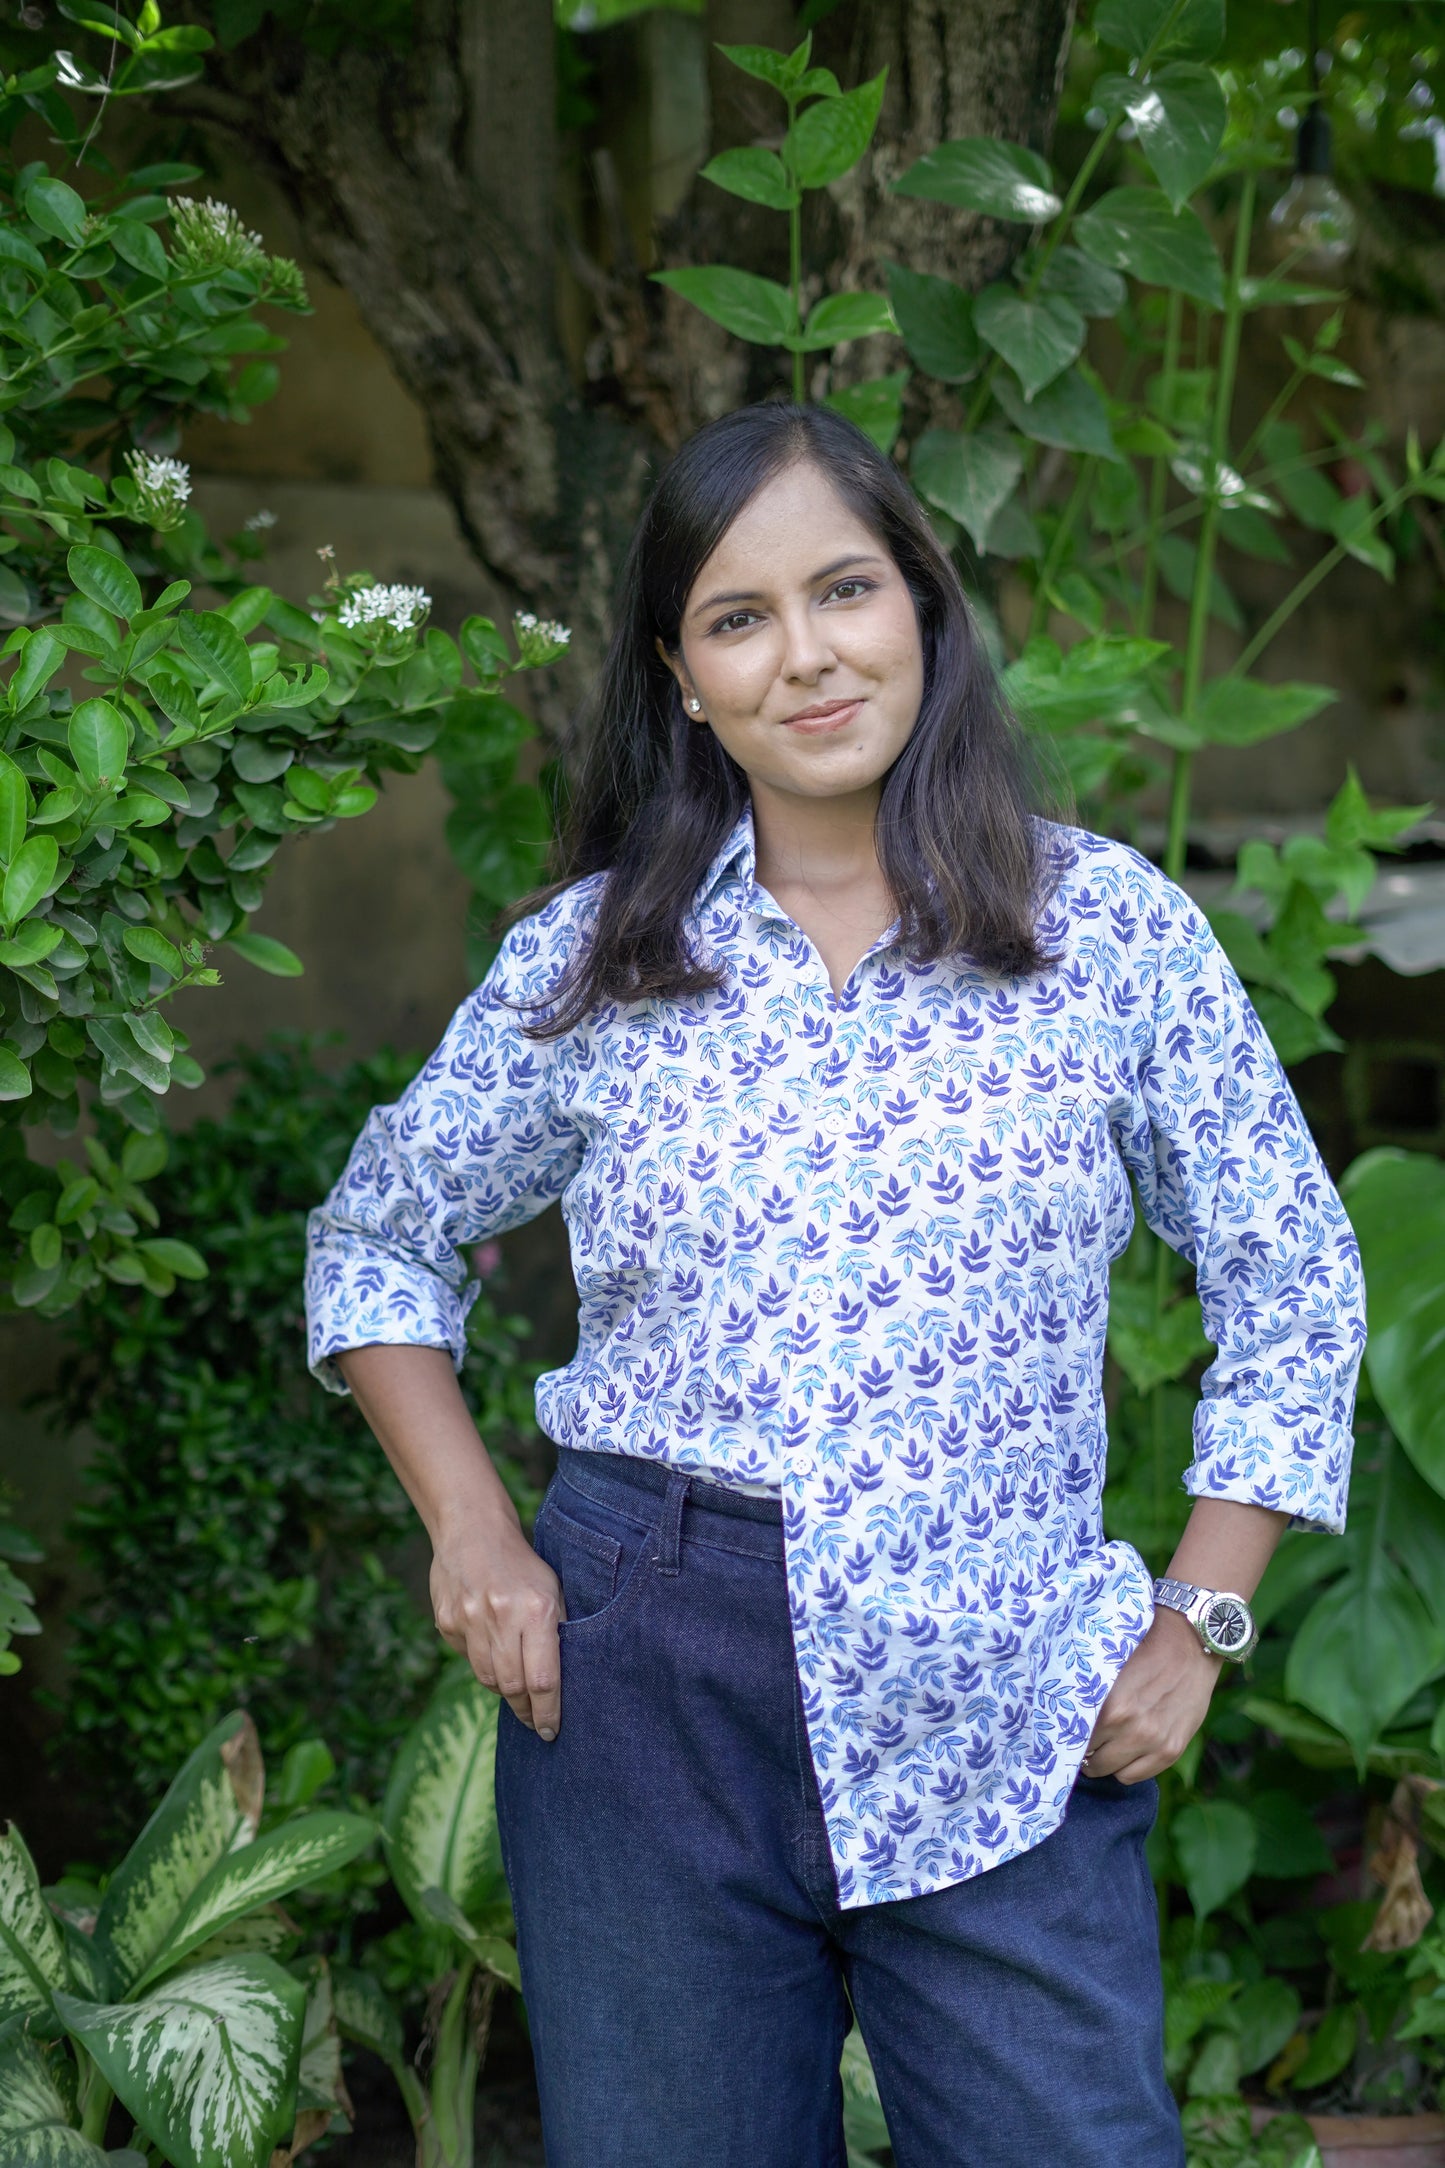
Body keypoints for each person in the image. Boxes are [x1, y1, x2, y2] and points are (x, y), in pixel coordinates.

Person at [304, 401, 1364, 2168]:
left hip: (1010, 1675)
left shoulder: (1102, 933)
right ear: (680, 672)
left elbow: (1290, 1265)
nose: (804, 656)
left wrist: (1201, 1617)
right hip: (646, 1677)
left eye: (844, 590)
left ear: (923, 611)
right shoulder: (592, 962)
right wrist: (474, 1533)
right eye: (738, 618)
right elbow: (379, 1234)